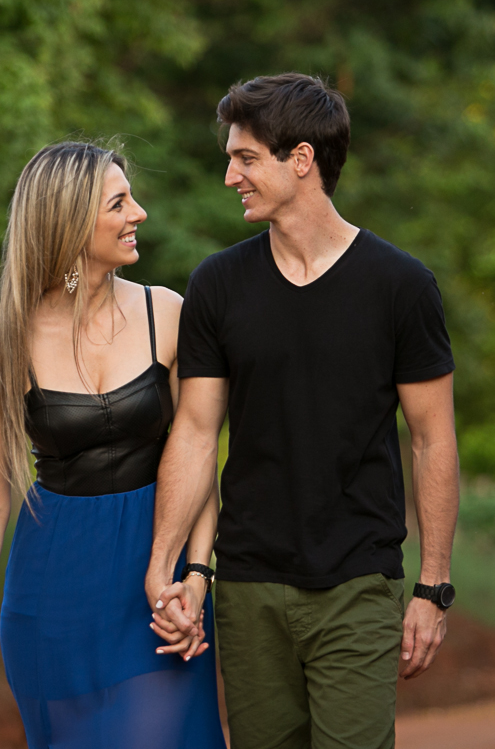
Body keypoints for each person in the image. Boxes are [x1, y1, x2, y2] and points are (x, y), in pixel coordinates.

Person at [147, 73, 460, 749]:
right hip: (249, 585)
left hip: (358, 581)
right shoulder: (217, 285)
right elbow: (197, 433)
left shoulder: (401, 287)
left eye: (245, 158)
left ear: (302, 160)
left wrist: (432, 589)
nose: (230, 175)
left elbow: (434, 441)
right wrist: (166, 563)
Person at [0, 141, 226, 748]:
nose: (140, 214)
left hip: (159, 588)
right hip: (53, 598)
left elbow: (200, 457)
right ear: (71, 223)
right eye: (120, 203)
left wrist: (197, 576)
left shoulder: (169, 314)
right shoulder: (3, 348)